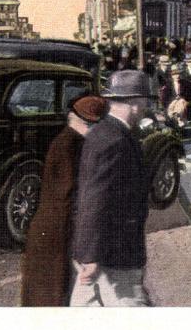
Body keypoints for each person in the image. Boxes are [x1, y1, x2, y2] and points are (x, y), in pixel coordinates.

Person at [70, 71, 152, 306]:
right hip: (114, 254)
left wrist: (87, 253)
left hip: (98, 250)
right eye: (146, 100)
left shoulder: (102, 132)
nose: (146, 106)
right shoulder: (116, 141)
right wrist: (92, 256)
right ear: (135, 103)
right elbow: (95, 199)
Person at [21, 95, 107, 306]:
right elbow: (70, 195)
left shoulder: (71, 141)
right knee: (52, 295)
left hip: (54, 229)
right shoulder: (69, 145)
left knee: (52, 293)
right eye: (89, 125)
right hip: (57, 231)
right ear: (74, 119)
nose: (92, 131)